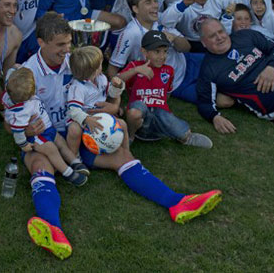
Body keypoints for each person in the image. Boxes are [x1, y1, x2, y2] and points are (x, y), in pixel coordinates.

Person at [21, 13, 222, 260]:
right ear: (41, 42)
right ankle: (52, 228)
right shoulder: (25, 73)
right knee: (40, 165)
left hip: (84, 132)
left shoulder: (77, 61)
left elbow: (105, 95)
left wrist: (113, 107)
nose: (67, 50)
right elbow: (12, 121)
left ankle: (177, 202)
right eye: (60, 45)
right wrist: (27, 132)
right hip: (47, 137)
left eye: (68, 43)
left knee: (122, 154)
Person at [118, 30, 213, 147]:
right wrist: (136, 71)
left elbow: (167, 94)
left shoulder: (168, 70)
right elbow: (116, 80)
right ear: (144, 52)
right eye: (157, 52)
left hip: (159, 121)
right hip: (140, 119)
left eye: (165, 52)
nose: (162, 56)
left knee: (164, 115)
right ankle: (130, 136)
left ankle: (186, 137)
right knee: (135, 111)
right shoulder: (135, 66)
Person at [107, 0, 195, 100]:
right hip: (175, 82)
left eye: (155, 1)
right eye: (148, 2)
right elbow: (113, 68)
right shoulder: (131, 33)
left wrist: (174, 38)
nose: (155, 6)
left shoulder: (160, 20)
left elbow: (186, 48)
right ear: (136, 9)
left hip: (188, 62)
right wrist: (115, 96)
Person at [3, 68, 87, 186]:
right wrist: (24, 145)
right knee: (52, 149)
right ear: (31, 95)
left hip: (47, 128)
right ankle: (68, 173)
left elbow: (10, 72)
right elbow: (17, 131)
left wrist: (12, 69)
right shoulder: (20, 112)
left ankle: (75, 162)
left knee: (61, 142)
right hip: (37, 136)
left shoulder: (13, 87)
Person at [64, 46, 125, 160]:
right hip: (82, 119)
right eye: (100, 64)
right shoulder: (77, 87)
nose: (102, 66)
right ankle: (74, 157)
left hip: (100, 117)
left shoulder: (101, 78)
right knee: (74, 130)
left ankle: (125, 150)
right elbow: (73, 110)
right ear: (94, 70)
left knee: (123, 125)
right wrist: (86, 119)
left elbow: (111, 94)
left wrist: (117, 87)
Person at [161, 0, 235, 42]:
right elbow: (165, 22)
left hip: (214, 40)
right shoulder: (182, 3)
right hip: (190, 43)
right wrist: (184, 4)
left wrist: (227, 17)